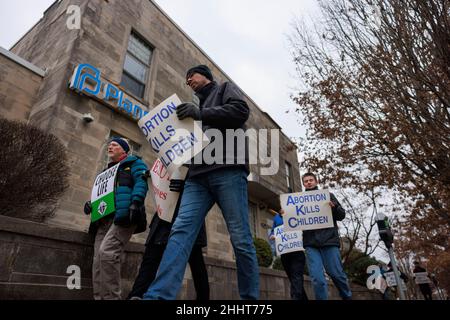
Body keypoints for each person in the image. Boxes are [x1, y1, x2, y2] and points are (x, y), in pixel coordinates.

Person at [143, 64, 259, 300]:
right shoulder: (188, 113)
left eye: (191, 76)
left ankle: (249, 299)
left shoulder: (225, 89)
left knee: (240, 239)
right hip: (197, 178)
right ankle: (158, 296)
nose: (188, 82)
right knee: (180, 231)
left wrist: (200, 114)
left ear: (205, 75)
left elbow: (240, 112)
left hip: (227, 169)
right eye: (186, 80)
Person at [84, 137, 148, 300]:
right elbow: (103, 194)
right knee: (98, 260)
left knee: (107, 252)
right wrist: (91, 204)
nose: (110, 146)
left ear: (125, 150)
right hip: (103, 220)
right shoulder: (105, 172)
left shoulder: (135, 163)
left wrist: (136, 201)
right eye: (110, 144)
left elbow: (141, 182)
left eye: (115, 145)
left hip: (124, 216)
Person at [127, 178, 209, 300]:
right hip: (163, 216)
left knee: (196, 263)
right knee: (150, 259)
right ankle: (136, 295)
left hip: (188, 217)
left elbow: (208, 188)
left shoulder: (198, 164)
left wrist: (187, 186)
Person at [301, 172, 352, 300]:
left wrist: (334, 208)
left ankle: (347, 297)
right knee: (317, 279)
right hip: (311, 244)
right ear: (303, 184)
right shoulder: (298, 200)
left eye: (311, 180)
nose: (308, 182)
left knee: (337, 274)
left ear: (316, 181)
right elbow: (293, 220)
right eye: (306, 181)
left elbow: (341, 215)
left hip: (329, 241)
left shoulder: (328, 196)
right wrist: (286, 213)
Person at [269, 209, 308, 300]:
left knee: (296, 277)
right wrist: (272, 235)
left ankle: (294, 298)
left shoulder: (297, 213)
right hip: (285, 253)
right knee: (294, 279)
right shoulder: (277, 217)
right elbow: (273, 231)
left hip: (297, 252)